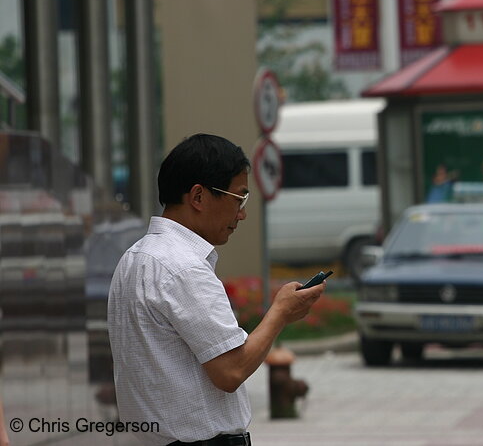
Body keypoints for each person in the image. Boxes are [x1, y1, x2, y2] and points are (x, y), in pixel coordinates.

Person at [107, 134, 325, 446]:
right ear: (198, 197)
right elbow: (230, 371)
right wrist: (280, 312)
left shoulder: (134, 258)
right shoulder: (184, 267)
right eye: (239, 199)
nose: (242, 214)